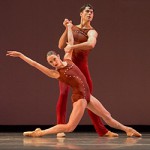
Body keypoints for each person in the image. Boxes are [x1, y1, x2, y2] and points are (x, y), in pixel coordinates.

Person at [6, 22, 141, 138]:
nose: (53, 63)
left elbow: (70, 42)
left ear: (58, 56)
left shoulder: (68, 59)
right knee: (69, 127)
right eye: (50, 62)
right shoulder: (56, 74)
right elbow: (35, 64)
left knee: (107, 116)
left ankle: (127, 130)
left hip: (87, 96)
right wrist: (21, 56)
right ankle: (40, 133)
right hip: (80, 98)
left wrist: (69, 27)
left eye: (54, 59)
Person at [57, 3, 115, 137]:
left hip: (82, 68)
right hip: (68, 67)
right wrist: (67, 28)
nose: (90, 14)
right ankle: (60, 129)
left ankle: (102, 130)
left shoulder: (92, 31)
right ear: (81, 14)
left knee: (88, 99)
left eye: (92, 12)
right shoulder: (73, 28)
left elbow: (91, 44)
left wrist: (72, 47)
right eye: (87, 11)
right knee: (63, 94)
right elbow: (60, 45)